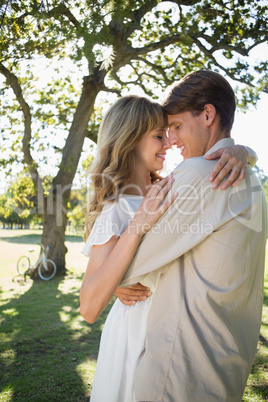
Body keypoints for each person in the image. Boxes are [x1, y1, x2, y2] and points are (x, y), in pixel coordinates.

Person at [80, 94, 258, 402]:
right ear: (131, 139)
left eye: (170, 133)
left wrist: (243, 152)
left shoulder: (173, 188)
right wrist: (135, 230)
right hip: (134, 334)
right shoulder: (117, 208)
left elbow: (208, 176)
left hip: (179, 332)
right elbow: (89, 306)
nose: (170, 143)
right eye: (159, 136)